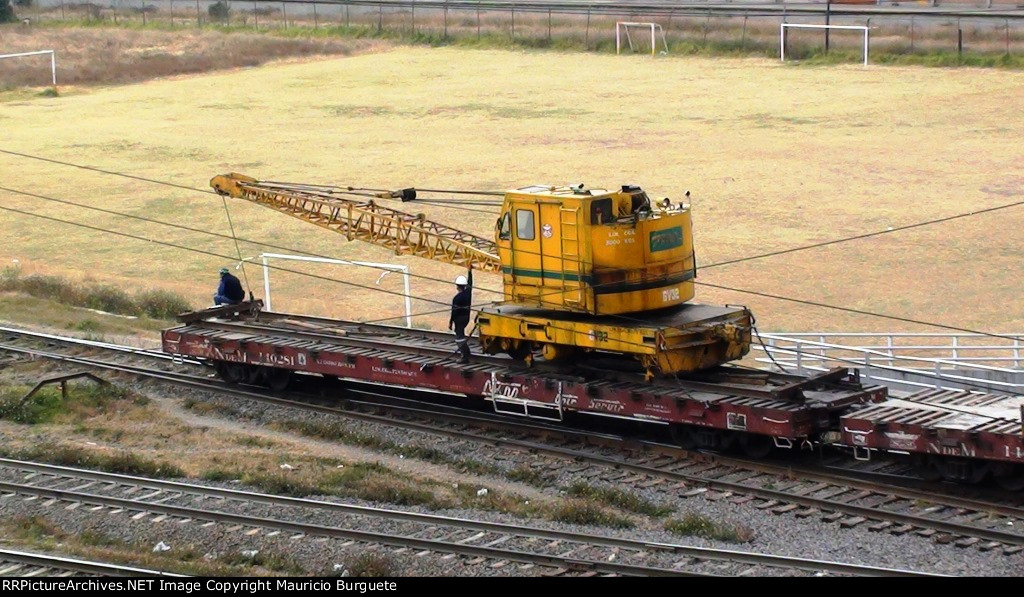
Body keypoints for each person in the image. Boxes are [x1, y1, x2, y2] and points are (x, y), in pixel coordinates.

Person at [449, 264, 473, 364]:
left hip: (459, 319)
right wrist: (470, 272)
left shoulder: (456, 298)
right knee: (461, 334)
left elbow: (454, 312)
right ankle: (467, 351)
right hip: (466, 318)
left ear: (457, 286)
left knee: (459, 338)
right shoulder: (468, 293)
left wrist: (450, 323)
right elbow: (471, 284)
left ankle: (464, 356)